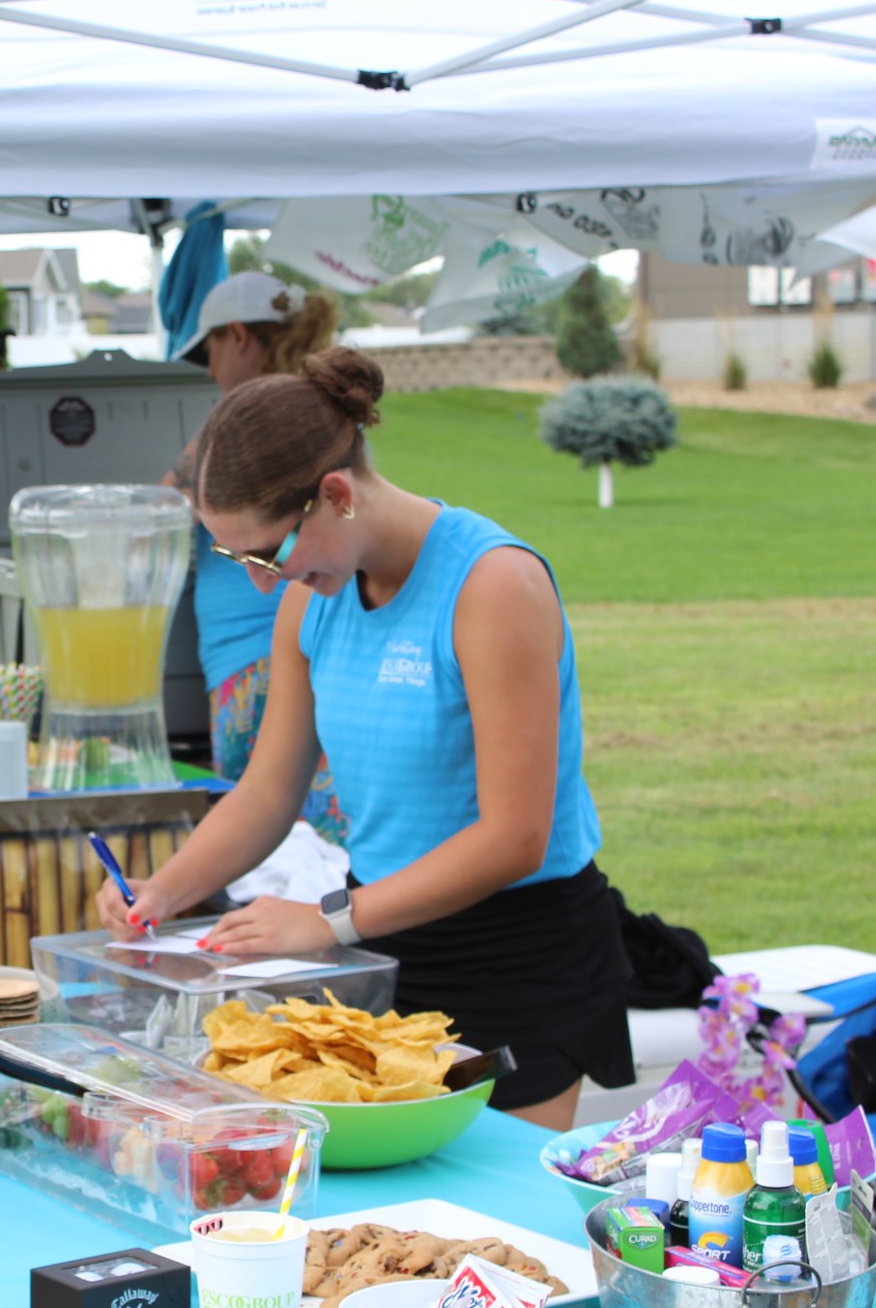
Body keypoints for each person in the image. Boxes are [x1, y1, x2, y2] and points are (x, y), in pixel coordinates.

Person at [100, 347, 632, 1132]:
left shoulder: (493, 585)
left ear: (337, 495)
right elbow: (269, 790)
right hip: (383, 945)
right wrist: (163, 892)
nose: (259, 580)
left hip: (519, 950)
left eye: (267, 552)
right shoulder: (308, 602)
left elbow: (517, 835)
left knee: (494, 1234)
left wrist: (328, 919)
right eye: (231, 556)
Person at [167, 272, 347, 844]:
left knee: (280, 841)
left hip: (257, 664)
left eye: (211, 349)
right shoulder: (316, 411)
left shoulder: (248, 427)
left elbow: (161, 504)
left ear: (239, 336)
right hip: (301, 647)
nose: (211, 368)